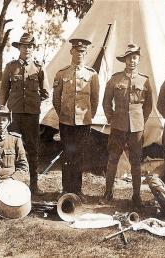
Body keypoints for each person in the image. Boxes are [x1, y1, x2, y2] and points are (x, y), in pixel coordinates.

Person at [100, 44, 153, 207]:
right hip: (118, 124)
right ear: (125, 60)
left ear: (138, 59)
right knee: (113, 158)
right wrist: (111, 118)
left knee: (136, 161)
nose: (132, 61)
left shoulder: (145, 80)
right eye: (129, 58)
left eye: (135, 57)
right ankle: (108, 193)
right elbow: (106, 101)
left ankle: (136, 196)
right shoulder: (116, 79)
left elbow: (148, 105)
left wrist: (140, 121)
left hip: (136, 126)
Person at [0, 33, 48, 195]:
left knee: (33, 149)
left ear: (33, 49)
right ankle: (9, 184)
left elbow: (46, 92)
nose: (27, 49)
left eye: (30, 46)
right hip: (14, 114)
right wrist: (2, 107)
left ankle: (34, 185)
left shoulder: (39, 67)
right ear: (19, 48)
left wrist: (34, 101)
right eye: (24, 46)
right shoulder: (11, 67)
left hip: (32, 115)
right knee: (11, 147)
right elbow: (4, 90)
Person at [52, 38, 100, 202]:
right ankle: (66, 188)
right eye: (77, 51)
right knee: (67, 155)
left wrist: (87, 116)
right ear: (71, 52)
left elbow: (94, 100)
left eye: (82, 51)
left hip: (83, 122)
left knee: (79, 155)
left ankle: (77, 190)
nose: (79, 54)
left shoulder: (92, 75)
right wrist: (63, 114)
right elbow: (56, 99)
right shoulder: (62, 73)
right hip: (66, 122)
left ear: (86, 53)